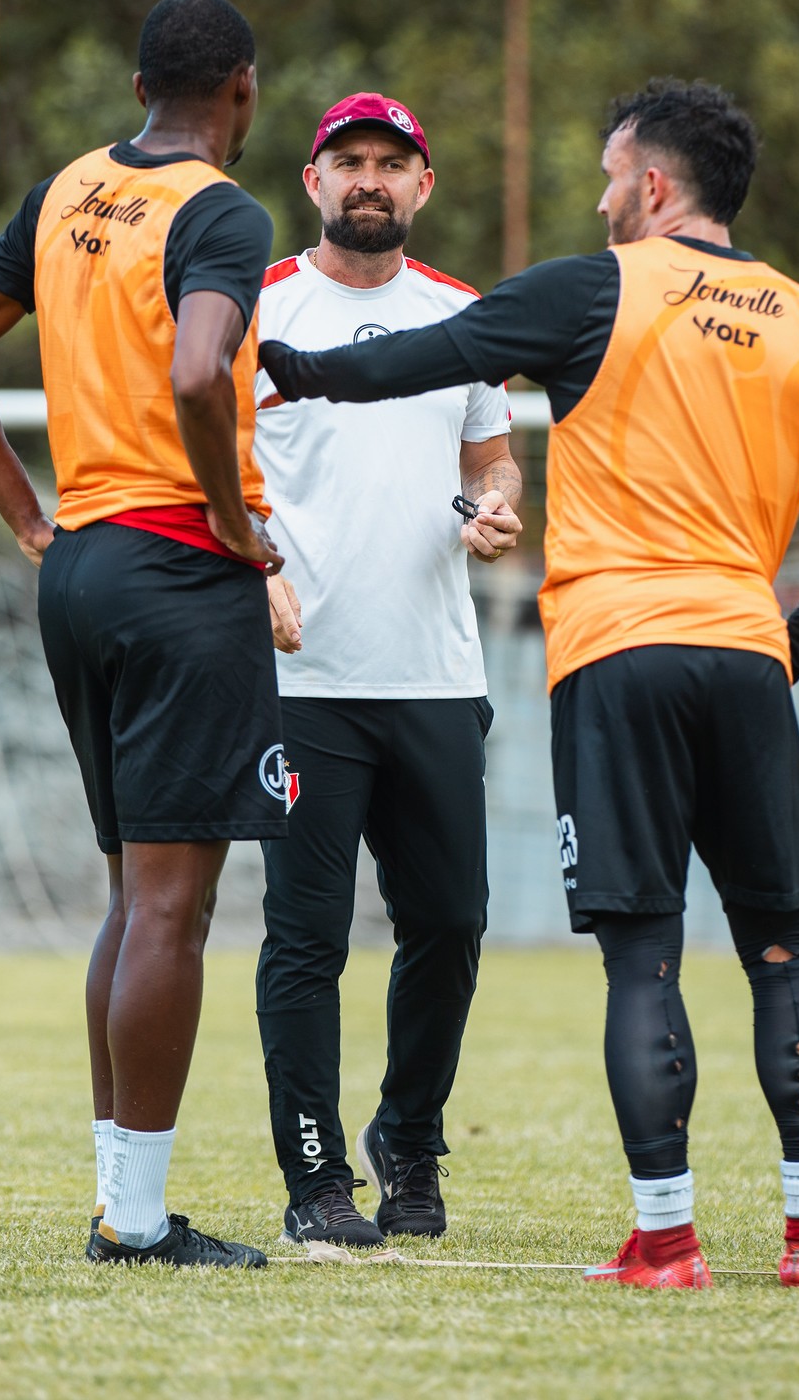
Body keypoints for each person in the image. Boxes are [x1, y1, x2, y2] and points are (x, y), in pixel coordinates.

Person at [258, 78, 799, 1290]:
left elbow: (414, 362)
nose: (603, 198)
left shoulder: (588, 289)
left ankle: (663, 1241)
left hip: (613, 657)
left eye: (612, 177)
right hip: (742, 656)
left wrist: (285, 363)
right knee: (784, 951)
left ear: (651, 185)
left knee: (640, 959)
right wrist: (788, 647)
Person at [0, 0, 282, 1270]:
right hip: (178, 567)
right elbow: (197, 372)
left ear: (137, 91)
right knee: (173, 910)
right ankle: (135, 1221)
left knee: (132, 899)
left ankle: (123, 1198)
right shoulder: (220, 212)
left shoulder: (67, 190)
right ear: (240, 89)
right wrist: (229, 516)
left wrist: (29, 517)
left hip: (79, 566)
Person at [252, 93, 522, 1248]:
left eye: (389, 162)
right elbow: (204, 462)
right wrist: (251, 564)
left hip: (435, 679)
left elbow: (490, 462)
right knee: (305, 941)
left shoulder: (463, 316)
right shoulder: (254, 305)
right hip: (301, 683)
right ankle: (315, 1180)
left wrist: (493, 507)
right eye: (347, 159)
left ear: (423, 185)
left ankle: (407, 1140)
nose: (368, 177)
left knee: (450, 923)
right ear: (312, 180)